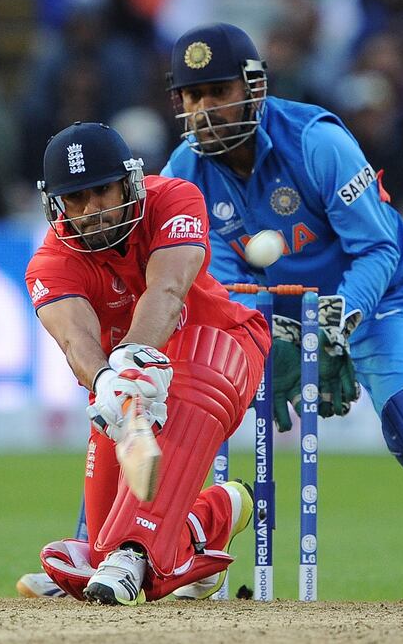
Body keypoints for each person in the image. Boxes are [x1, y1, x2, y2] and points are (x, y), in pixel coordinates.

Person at [160, 22, 403, 605]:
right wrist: (272, 329)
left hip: (377, 296)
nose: (204, 112)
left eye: (218, 93)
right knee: (172, 397)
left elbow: (378, 246)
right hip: (277, 312)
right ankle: (146, 555)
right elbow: (213, 278)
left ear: (254, 89)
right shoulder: (184, 169)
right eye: (193, 98)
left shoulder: (316, 140)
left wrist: (341, 319)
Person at [22, 120, 269, 605]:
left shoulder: (173, 199)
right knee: (103, 550)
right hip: (127, 392)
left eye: (102, 191)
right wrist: (109, 380)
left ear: (129, 181)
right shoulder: (51, 263)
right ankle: (215, 515)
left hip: (223, 348)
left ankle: (134, 555)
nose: (92, 211)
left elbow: (169, 289)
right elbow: (76, 341)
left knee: (124, 554)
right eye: (75, 199)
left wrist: (133, 362)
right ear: (56, 205)